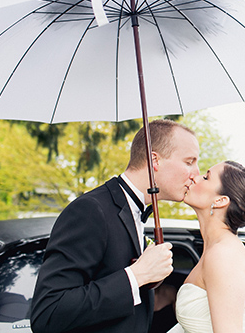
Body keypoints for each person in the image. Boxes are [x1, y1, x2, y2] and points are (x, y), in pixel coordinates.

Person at [30, 119, 200, 333]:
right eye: (189, 161)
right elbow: (48, 313)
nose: (196, 174)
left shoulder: (135, 212)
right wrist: (136, 275)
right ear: (154, 160)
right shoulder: (90, 211)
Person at [167, 161, 245, 333]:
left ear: (220, 200)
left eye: (206, 177)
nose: (195, 178)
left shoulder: (223, 256)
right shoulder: (224, 249)